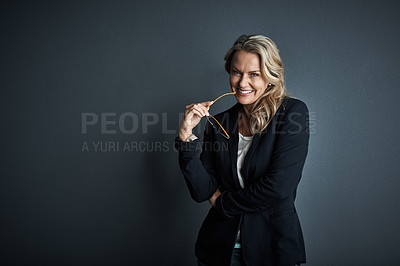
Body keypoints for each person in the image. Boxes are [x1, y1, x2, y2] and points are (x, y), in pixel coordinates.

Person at [175, 34, 309, 266]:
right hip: (218, 250)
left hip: (272, 250)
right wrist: (186, 137)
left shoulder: (292, 113)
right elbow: (201, 190)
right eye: (236, 72)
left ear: (270, 77)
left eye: (253, 74)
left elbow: (277, 187)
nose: (242, 83)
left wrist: (222, 203)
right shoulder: (218, 123)